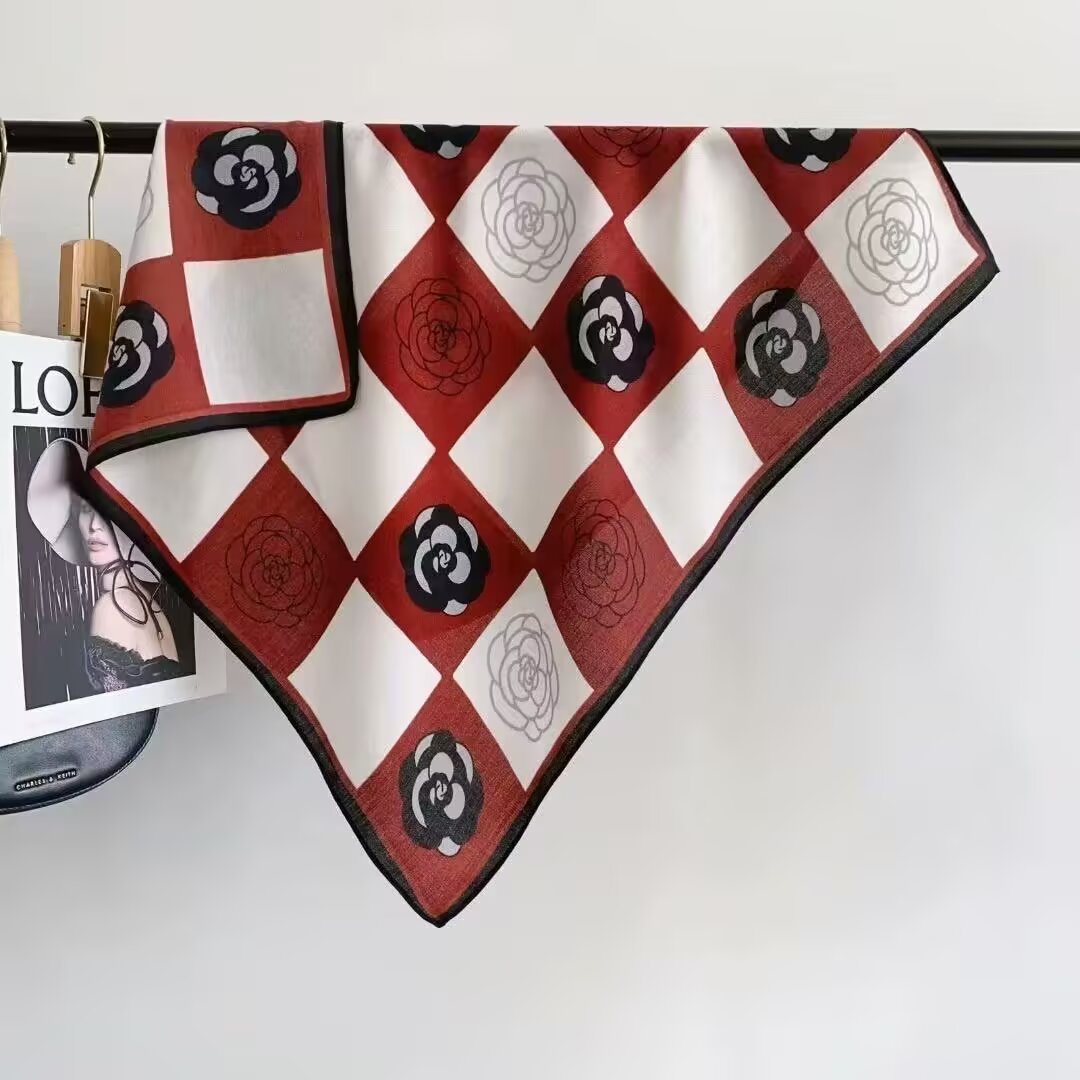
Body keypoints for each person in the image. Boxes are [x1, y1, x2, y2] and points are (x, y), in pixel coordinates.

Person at [26, 437, 183, 692]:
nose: (93, 526)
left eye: (106, 512)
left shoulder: (111, 607)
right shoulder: (150, 606)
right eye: (86, 509)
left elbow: (116, 705)